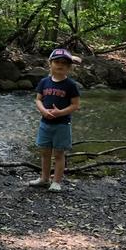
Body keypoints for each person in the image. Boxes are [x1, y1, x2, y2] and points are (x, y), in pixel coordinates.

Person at [28, 48, 81, 193]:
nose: (60, 65)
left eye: (64, 63)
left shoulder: (70, 85)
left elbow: (76, 105)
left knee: (58, 154)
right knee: (45, 152)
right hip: (45, 124)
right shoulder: (44, 82)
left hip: (62, 125)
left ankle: (56, 181)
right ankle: (44, 178)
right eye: (57, 62)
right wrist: (43, 111)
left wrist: (60, 113)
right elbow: (38, 100)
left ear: (69, 67)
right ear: (50, 64)